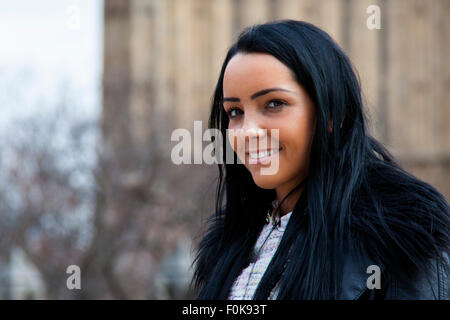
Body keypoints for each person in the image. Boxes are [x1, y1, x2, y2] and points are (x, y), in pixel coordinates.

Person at [191, 20, 449, 300]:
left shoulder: (401, 239)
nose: (247, 132)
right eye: (235, 112)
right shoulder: (231, 245)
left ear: (330, 113)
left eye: (274, 104)